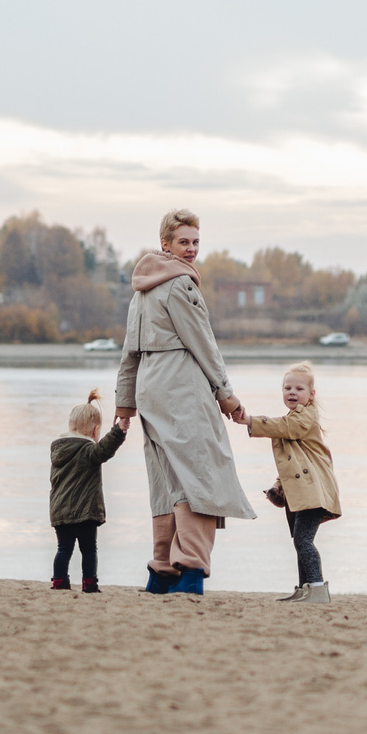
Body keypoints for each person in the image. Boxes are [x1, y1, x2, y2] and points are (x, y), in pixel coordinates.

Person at [114, 208, 254, 597]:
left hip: (150, 391)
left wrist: (124, 407)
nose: (191, 250)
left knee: (167, 479)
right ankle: (190, 569)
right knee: (199, 474)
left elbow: (129, 355)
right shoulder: (179, 286)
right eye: (183, 242)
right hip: (181, 388)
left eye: (195, 242)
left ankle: (161, 571)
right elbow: (203, 344)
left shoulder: (140, 293)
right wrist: (226, 395)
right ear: (166, 244)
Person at [247, 361, 341, 604]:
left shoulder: (304, 417)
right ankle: (304, 589)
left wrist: (250, 421)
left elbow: (288, 427)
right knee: (300, 540)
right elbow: (292, 461)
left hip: (314, 492)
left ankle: (318, 589)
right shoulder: (292, 420)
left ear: (311, 395)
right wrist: (278, 485)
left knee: (303, 540)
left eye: (299, 389)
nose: (291, 392)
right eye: (287, 388)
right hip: (301, 492)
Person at [48, 389, 128, 593]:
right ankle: (90, 584)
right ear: (95, 430)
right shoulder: (87, 450)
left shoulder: (59, 449)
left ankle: (59, 582)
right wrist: (119, 431)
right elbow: (104, 450)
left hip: (60, 511)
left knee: (63, 549)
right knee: (89, 549)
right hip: (85, 512)